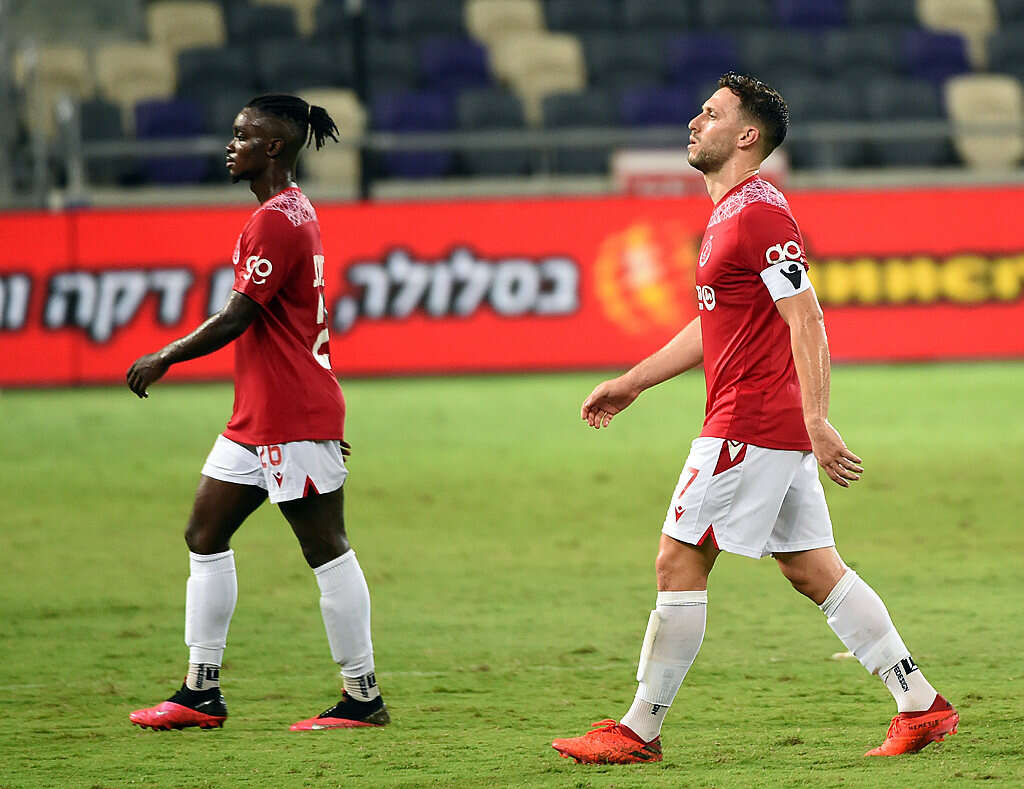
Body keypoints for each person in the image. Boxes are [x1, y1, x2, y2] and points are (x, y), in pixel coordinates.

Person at [551, 73, 957, 764]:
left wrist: (818, 418)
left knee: (679, 559)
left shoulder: (758, 215)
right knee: (813, 569)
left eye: (711, 114)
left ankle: (639, 730)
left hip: (749, 423)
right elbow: (712, 324)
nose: (694, 121)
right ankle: (921, 704)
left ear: (746, 135)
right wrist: (632, 382)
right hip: (765, 423)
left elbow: (808, 317)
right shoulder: (731, 213)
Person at [126, 94, 389, 733]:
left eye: (243, 135)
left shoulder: (275, 220)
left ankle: (362, 696)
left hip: (290, 413)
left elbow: (238, 315)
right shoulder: (294, 209)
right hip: (261, 414)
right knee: (204, 533)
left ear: (273, 146)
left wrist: (164, 355)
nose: (231, 144)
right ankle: (200, 691)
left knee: (325, 548)